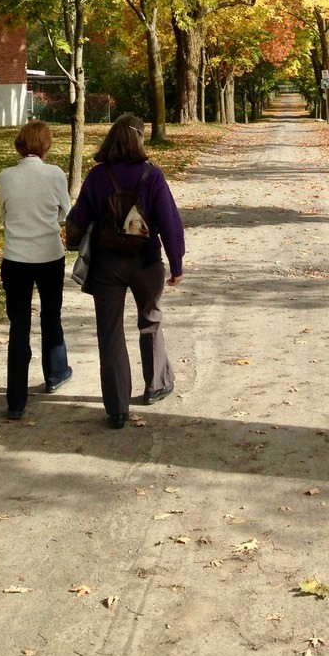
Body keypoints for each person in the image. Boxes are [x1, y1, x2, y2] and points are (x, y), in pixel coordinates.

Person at [66, 113, 184, 430]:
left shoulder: (97, 177)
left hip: (107, 265)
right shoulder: (153, 176)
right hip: (146, 262)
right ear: (139, 140)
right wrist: (176, 263)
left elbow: (78, 221)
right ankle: (156, 385)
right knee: (151, 319)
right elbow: (170, 221)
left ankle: (117, 409)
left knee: (110, 332)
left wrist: (73, 241)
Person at [0, 121, 73, 420]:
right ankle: (55, 374)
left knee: (19, 326)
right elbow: (65, 211)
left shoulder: (6, 176)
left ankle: (16, 398)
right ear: (46, 144)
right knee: (51, 315)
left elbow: (4, 214)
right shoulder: (54, 174)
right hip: (49, 255)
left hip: (16, 257)